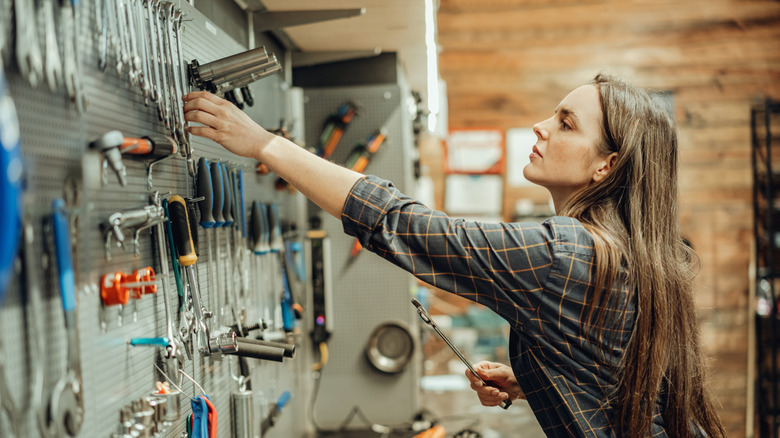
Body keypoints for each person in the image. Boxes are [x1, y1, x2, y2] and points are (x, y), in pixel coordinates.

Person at [182, 74, 726, 437]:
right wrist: (533, 377)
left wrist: (266, 146)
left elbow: (403, 224)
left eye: (565, 123)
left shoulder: (566, 253)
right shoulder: (628, 253)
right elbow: (627, 376)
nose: (540, 126)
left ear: (605, 167)